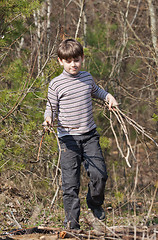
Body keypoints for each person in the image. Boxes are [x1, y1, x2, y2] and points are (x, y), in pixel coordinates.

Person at [43, 39, 118, 229]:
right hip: (68, 140)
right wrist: (48, 119)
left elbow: (98, 91)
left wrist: (109, 97)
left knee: (99, 175)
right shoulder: (56, 84)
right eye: (68, 61)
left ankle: (94, 204)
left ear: (82, 58)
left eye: (76, 60)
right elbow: (50, 108)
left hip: (90, 136)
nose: (73, 64)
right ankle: (72, 224)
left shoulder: (86, 78)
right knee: (70, 184)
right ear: (60, 61)